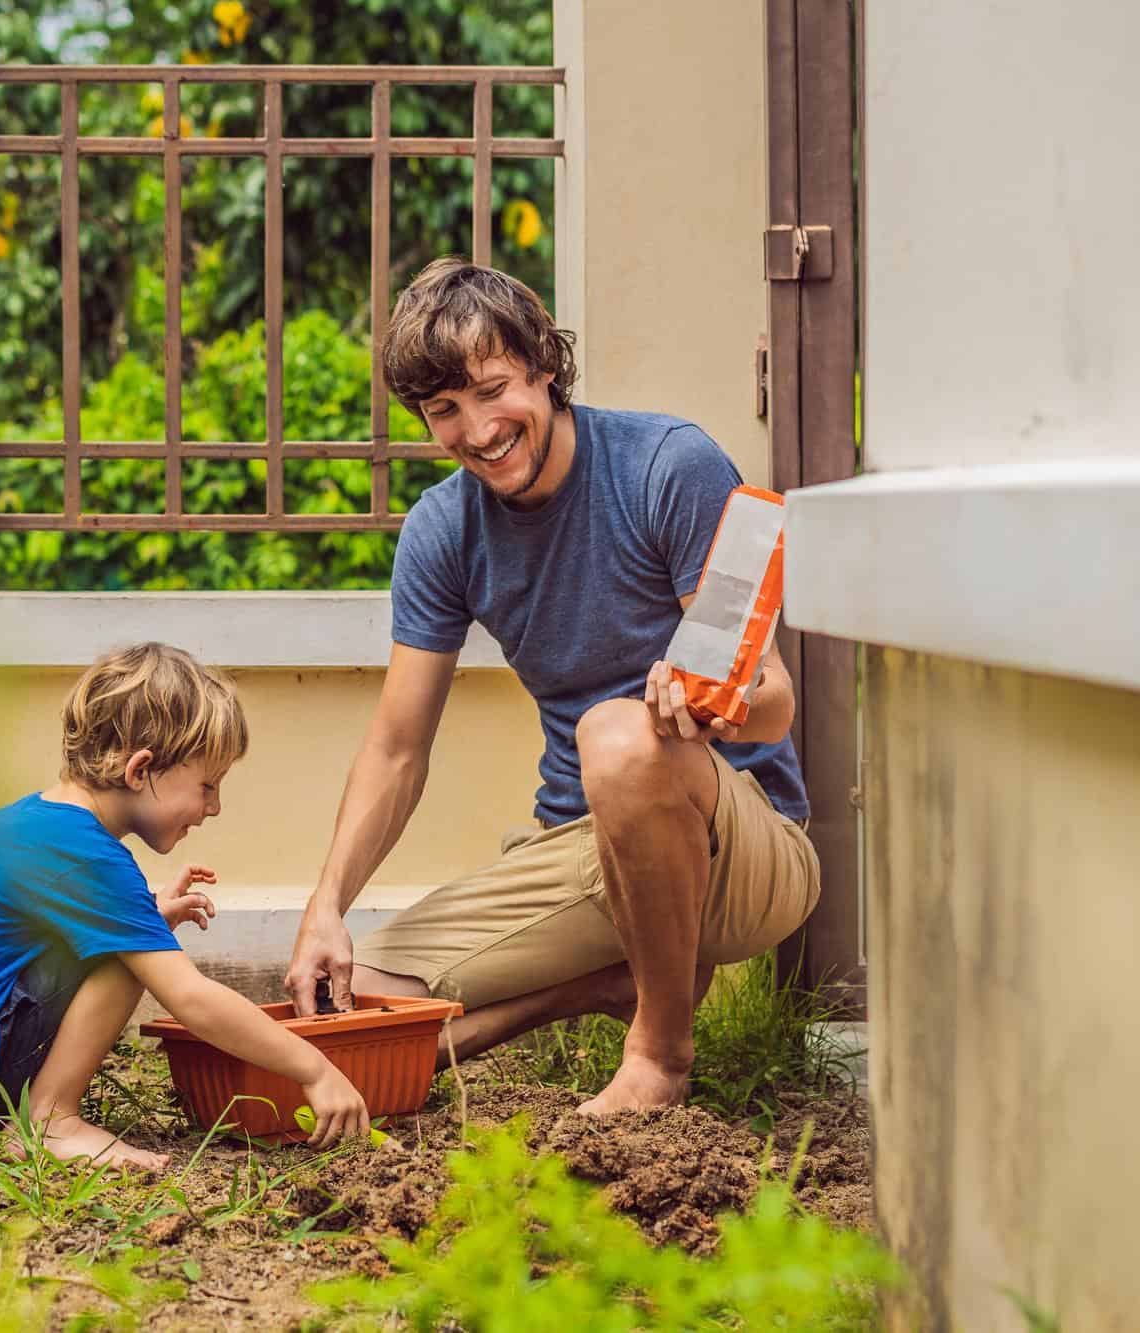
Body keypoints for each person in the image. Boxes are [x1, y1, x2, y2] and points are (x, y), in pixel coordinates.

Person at [282, 258, 820, 1115]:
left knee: (617, 736)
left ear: (545, 365)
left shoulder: (667, 467)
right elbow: (395, 750)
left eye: (494, 390)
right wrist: (325, 907)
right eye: (445, 410)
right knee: (352, 1009)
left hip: (741, 847)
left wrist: (706, 716)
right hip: (577, 846)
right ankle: (600, 983)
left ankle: (659, 1051)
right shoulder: (443, 530)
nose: (480, 429)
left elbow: (776, 702)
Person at [0, 642, 370, 1169]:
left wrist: (145, 911)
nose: (214, 807)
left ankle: (43, 1113)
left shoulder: (43, 826)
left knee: (133, 937)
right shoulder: (86, 853)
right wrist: (315, 1069)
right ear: (140, 770)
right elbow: (191, 998)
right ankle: (52, 1121)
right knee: (129, 955)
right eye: (208, 785)